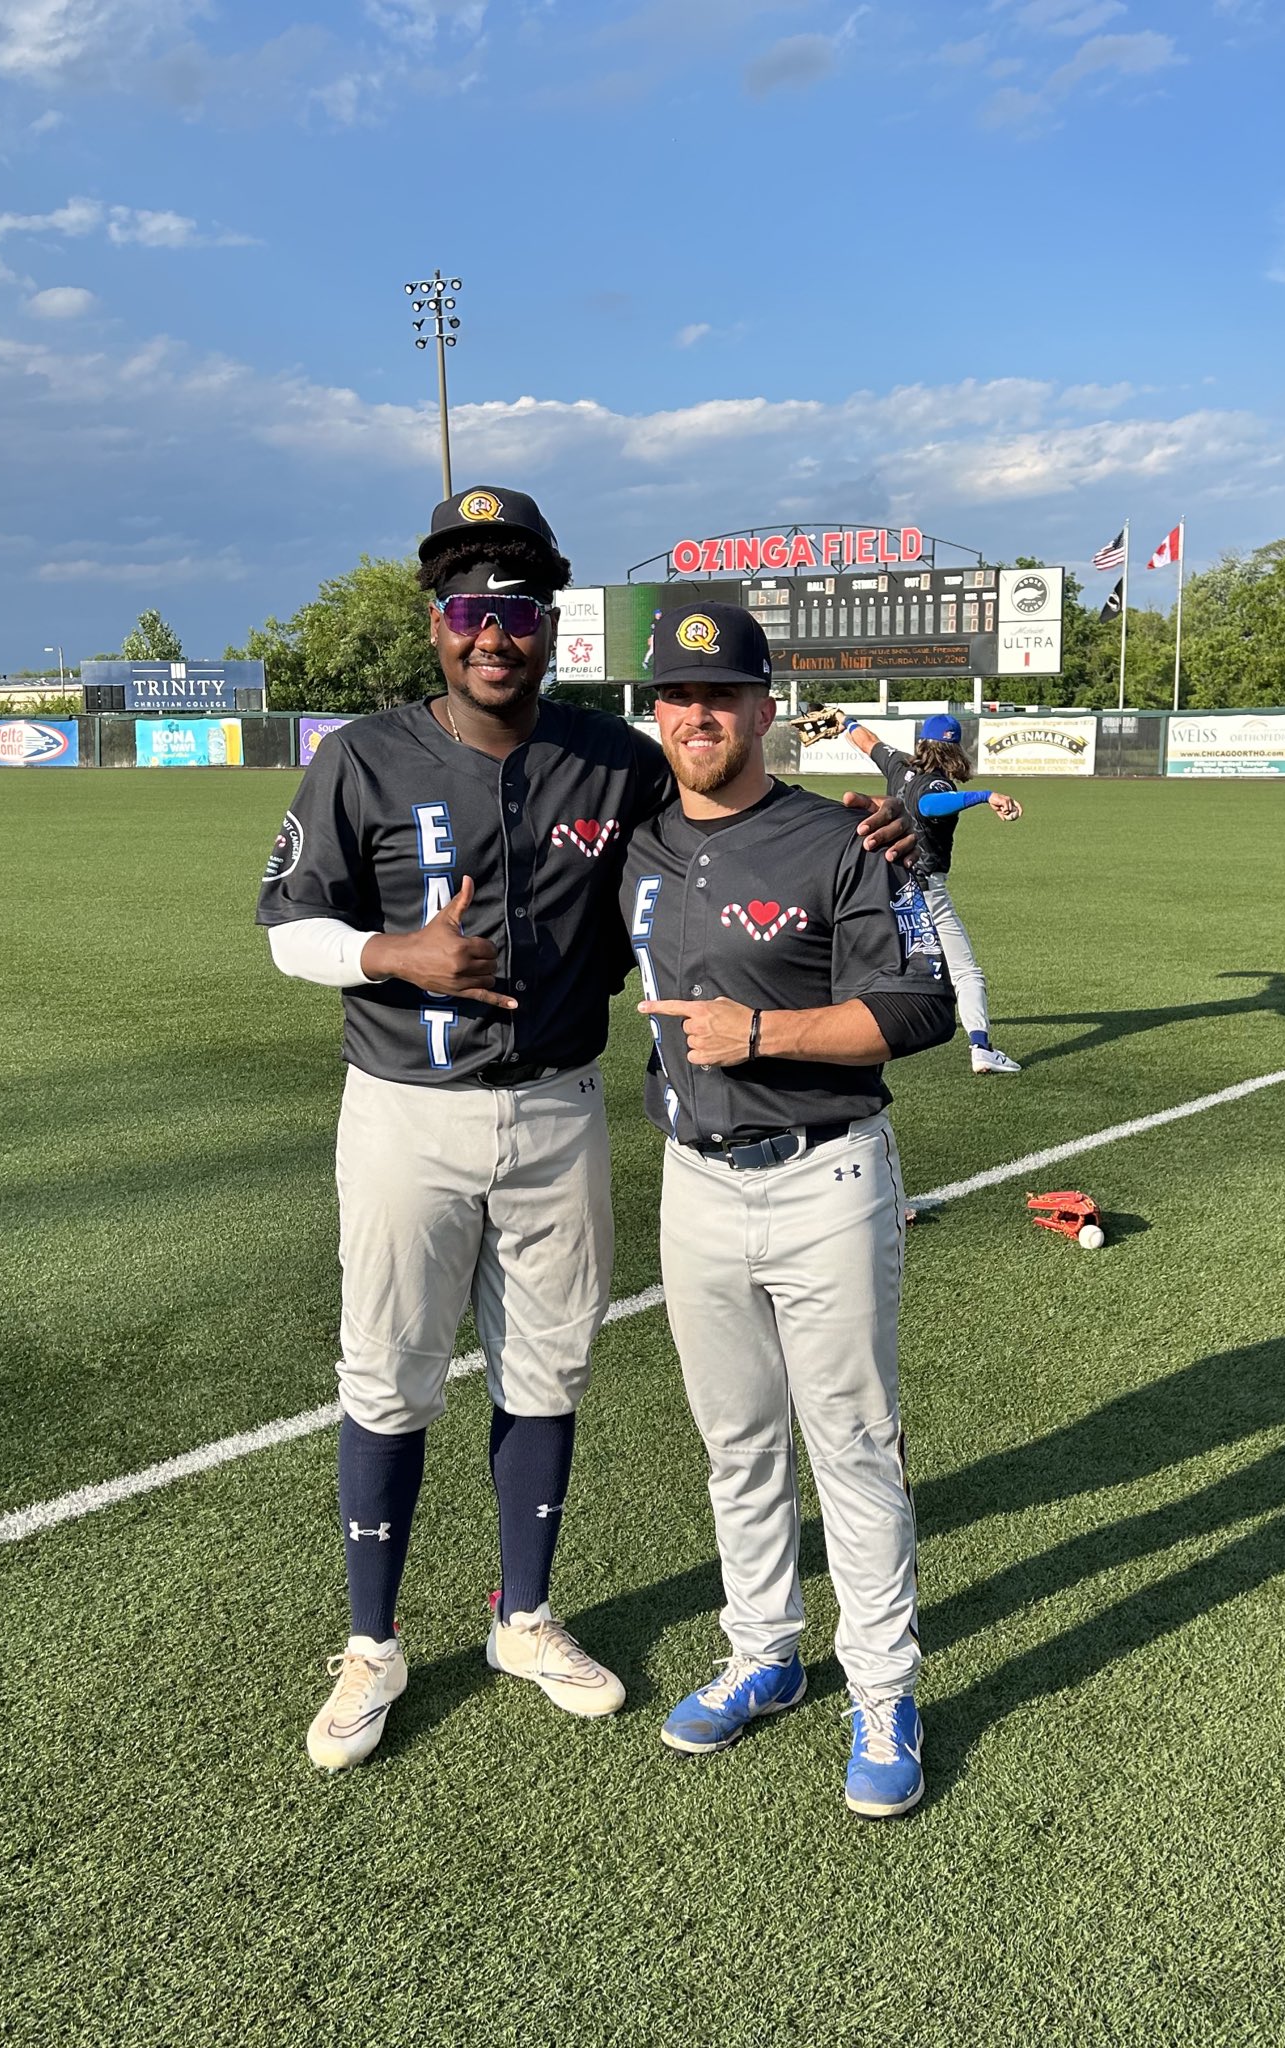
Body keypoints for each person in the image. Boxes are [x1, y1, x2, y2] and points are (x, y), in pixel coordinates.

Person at [256, 489, 912, 1773]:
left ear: (548, 627)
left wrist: (874, 829)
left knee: (547, 1372)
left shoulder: (609, 760)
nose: (491, 634)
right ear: (437, 625)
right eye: (467, 610)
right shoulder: (363, 756)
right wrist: (396, 950)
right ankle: (373, 1644)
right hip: (404, 1110)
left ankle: (525, 1617)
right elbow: (287, 927)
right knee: (387, 1372)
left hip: (559, 1108)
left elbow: (738, 834)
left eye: (515, 612)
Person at [623, 602, 955, 1819]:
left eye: (721, 694)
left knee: (854, 1448)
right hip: (693, 1181)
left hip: (825, 1175)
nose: (697, 714)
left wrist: (757, 1031)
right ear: (654, 712)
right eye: (675, 695)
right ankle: (765, 1650)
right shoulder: (637, 839)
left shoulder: (844, 838)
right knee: (735, 1441)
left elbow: (918, 1006)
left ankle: (884, 1688)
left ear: (765, 708)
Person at [845, 712, 1024, 1077]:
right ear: (955, 750)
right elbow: (929, 806)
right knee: (966, 971)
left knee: (871, 961)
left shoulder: (898, 765)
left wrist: (844, 722)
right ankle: (981, 1047)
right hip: (926, 889)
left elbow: (867, 741)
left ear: (922, 742)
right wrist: (985, 795)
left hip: (886, 884)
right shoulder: (939, 786)